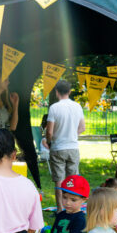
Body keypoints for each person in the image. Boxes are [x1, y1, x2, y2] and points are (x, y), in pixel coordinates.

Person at [46, 79, 86, 211]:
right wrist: (72, 135)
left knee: (59, 180)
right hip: (73, 147)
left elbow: (49, 132)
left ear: (56, 92)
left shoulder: (54, 108)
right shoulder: (77, 107)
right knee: (73, 180)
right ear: (69, 91)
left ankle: (60, 209)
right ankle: (73, 208)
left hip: (58, 147)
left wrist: (50, 142)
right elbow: (82, 128)